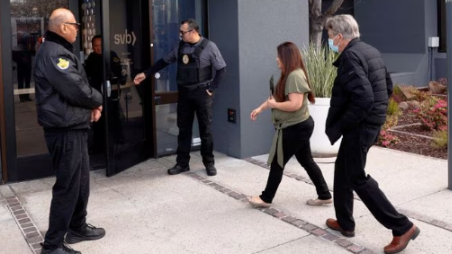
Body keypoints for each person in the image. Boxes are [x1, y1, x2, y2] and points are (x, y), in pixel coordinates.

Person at [324, 15, 419, 254]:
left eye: (329, 37)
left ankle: (402, 226)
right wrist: (377, 115)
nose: (329, 42)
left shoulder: (350, 57)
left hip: (360, 125)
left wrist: (345, 124)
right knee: (342, 170)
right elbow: (387, 87)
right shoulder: (370, 50)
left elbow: (363, 97)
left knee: (356, 177)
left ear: (339, 36)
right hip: (369, 122)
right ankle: (345, 222)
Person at [34, 8, 105, 254]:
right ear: (63, 27)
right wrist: (97, 101)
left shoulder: (59, 50)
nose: (78, 28)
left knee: (81, 181)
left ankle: (77, 226)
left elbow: (77, 86)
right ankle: (52, 245)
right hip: (64, 131)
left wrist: (90, 107)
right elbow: (76, 88)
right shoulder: (54, 54)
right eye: (76, 24)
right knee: (67, 186)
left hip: (74, 125)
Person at [134, 18, 226, 176]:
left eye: (183, 32)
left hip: (201, 93)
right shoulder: (180, 47)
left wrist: (211, 88)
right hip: (184, 93)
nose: (180, 35)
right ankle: (182, 163)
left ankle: (209, 163)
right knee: (183, 130)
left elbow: (221, 69)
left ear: (193, 32)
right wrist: (146, 73)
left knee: (206, 130)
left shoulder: (209, 47)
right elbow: (164, 61)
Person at [247, 42, 332, 208]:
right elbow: (276, 98)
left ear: (286, 57)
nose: (276, 59)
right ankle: (324, 194)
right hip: (298, 126)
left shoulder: (294, 76)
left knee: (278, 162)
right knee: (306, 160)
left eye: (279, 55)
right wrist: (261, 108)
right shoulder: (289, 74)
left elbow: (295, 104)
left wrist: (273, 106)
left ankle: (266, 198)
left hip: (296, 127)